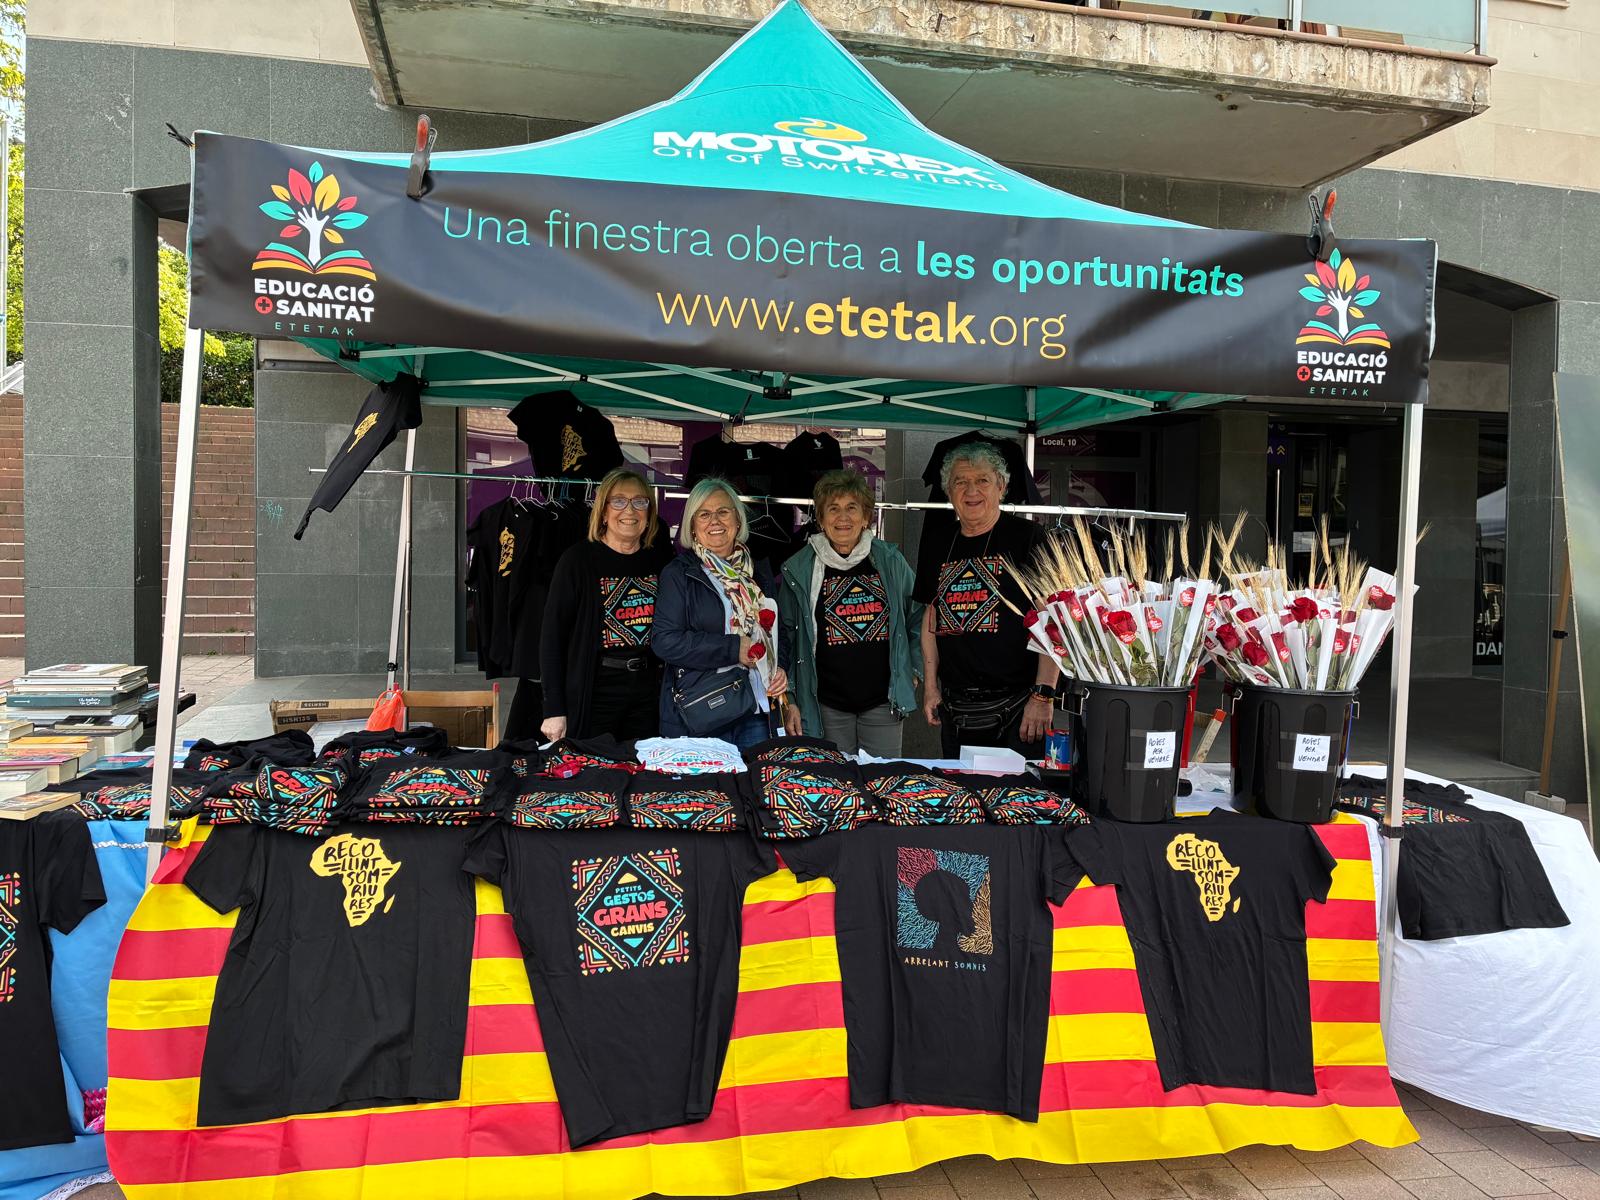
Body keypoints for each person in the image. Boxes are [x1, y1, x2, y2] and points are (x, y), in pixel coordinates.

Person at [914, 442, 1059, 758]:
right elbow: (930, 619)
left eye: (982, 480)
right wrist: (931, 687)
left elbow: (1052, 622)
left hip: (1020, 711)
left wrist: (1043, 695)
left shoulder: (1028, 538)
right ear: (948, 491)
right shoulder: (937, 542)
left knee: (1017, 791)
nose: (971, 491)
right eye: (960, 482)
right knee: (963, 789)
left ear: (1001, 486)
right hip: (957, 711)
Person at [778, 469, 921, 757]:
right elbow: (785, 638)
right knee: (835, 781)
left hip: (883, 702)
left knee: (882, 780)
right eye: (833, 508)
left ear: (866, 517)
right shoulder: (799, 569)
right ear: (821, 519)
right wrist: (790, 697)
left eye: (851, 508)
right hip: (824, 706)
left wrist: (914, 670)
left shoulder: (889, 560)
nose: (843, 517)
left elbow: (919, 615)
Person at [653, 477, 790, 750]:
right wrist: (734, 648)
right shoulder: (680, 573)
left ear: (737, 520)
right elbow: (665, 641)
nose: (714, 521)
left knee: (755, 778)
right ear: (692, 526)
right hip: (703, 712)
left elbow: (779, 634)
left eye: (723, 512)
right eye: (704, 514)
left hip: (757, 711)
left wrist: (780, 668)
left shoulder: (757, 572)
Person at [538, 468, 673, 743]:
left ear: (649, 513)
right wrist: (554, 708)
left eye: (640, 501)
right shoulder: (577, 561)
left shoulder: (660, 562)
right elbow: (552, 638)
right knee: (593, 765)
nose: (630, 510)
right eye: (619, 501)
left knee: (643, 765)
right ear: (603, 512)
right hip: (594, 690)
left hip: (648, 692)